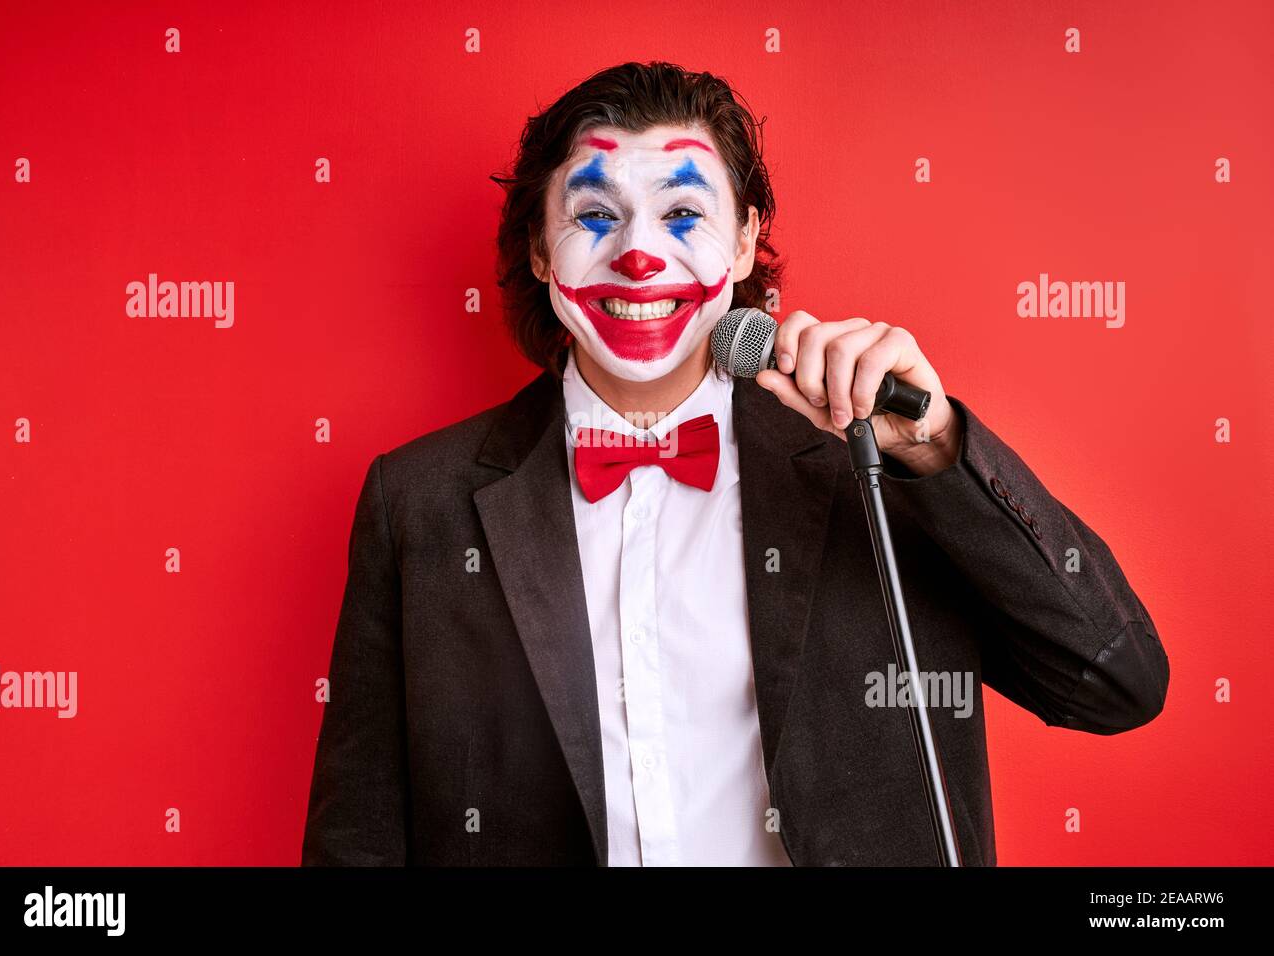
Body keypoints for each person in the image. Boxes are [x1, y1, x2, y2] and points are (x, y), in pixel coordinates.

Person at [300, 61, 1168, 866]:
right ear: (539, 250)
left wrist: (937, 449)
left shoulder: (868, 463)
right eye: (595, 215)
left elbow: (1116, 685)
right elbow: (358, 843)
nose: (639, 254)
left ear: (747, 242)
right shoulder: (418, 503)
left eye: (683, 214)